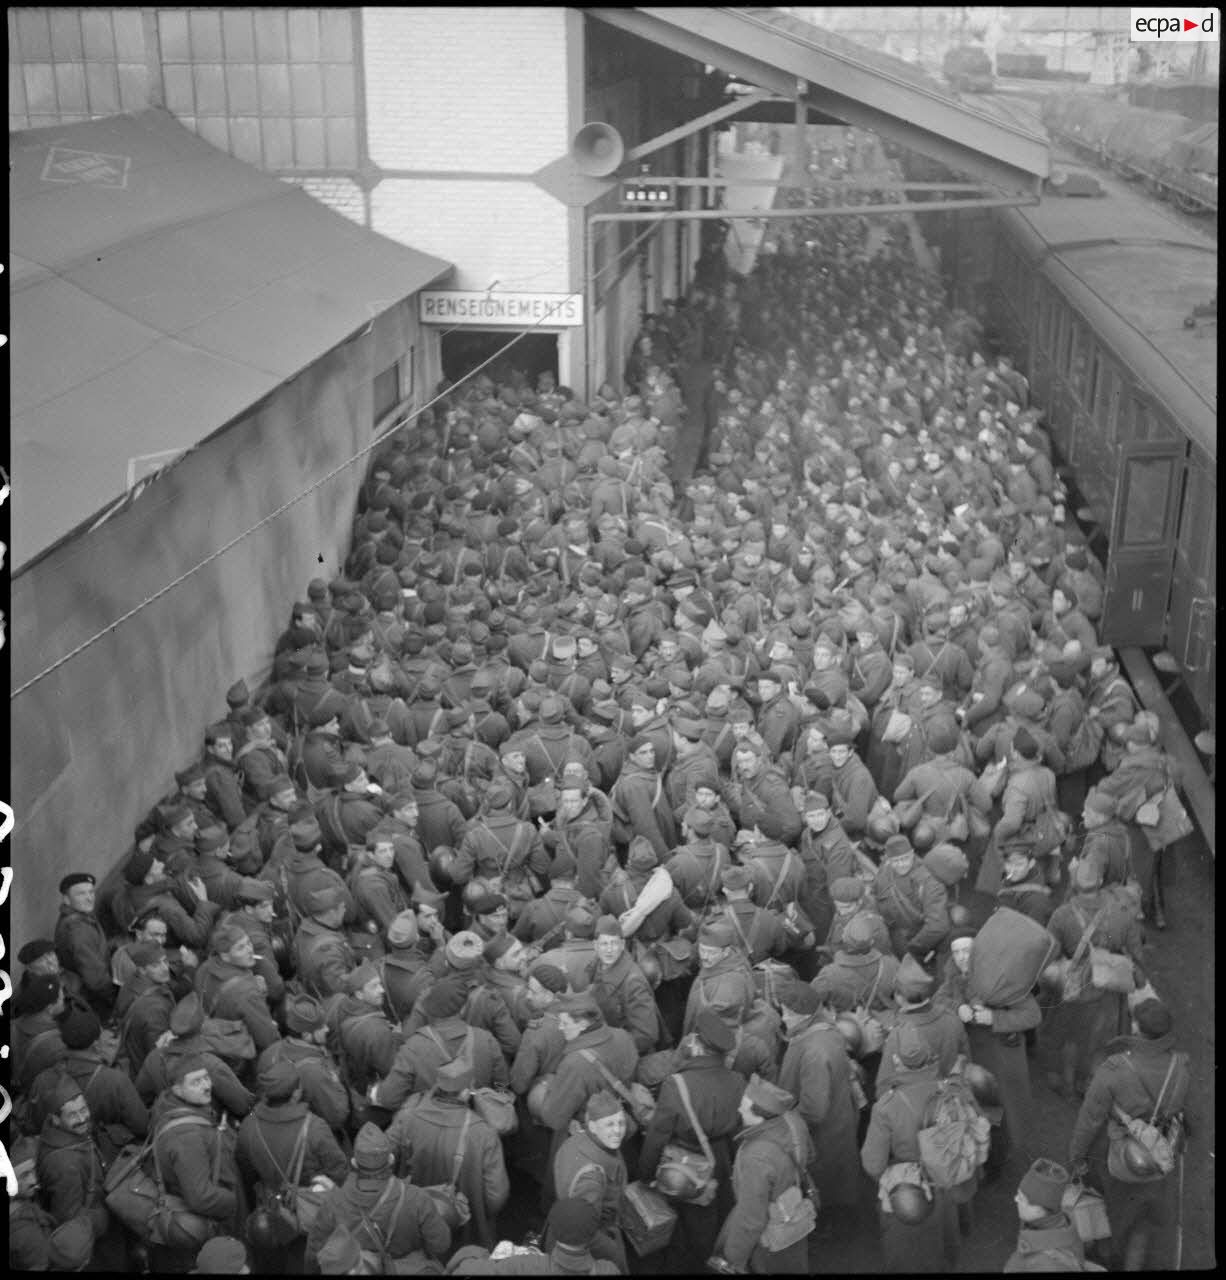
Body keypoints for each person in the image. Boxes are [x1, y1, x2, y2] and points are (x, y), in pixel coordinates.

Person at [1068, 999, 1190, 1272]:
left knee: (1116, 1210)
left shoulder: (1114, 1069)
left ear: (1136, 1027)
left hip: (1120, 1153)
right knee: (1144, 1212)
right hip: (1160, 1149)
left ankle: (1113, 1257)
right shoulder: (1180, 1065)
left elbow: (1090, 1119)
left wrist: (1076, 1156)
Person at [638, 1008, 744, 1270]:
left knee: (687, 1219)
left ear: (696, 1044)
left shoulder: (677, 1085)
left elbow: (658, 1135)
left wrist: (646, 1173)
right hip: (721, 1157)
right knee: (714, 1208)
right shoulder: (737, 1080)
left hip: (685, 1161)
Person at [860, 1028, 960, 1272]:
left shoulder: (887, 1105)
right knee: (943, 1236)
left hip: (907, 1186)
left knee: (906, 1249)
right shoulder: (949, 1090)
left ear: (896, 1060)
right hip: (944, 1176)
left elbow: (873, 1163)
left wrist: (888, 1179)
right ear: (929, 1057)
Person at [236, 1060, 349, 1272]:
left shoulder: (248, 1126)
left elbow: (246, 1170)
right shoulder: (315, 1127)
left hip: (272, 1209)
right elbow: (340, 1173)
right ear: (296, 1094)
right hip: (310, 1211)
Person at [388, 1058, 510, 1251]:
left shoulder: (407, 1118)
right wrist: (480, 1213)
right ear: (464, 1092)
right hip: (466, 1230)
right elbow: (496, 1195)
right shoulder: (484, 1134)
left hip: (416, 1219)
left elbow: (385, 1156)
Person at [776, 981, 864, 1229]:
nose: (783, 1018)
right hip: (840, 1117)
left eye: (787, 1012)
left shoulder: (813, 1051)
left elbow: (814, 1110)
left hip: (823, 1134)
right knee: (840, 1176)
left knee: (825, 1183)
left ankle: (830, 1226)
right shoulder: (827, 1030)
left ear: (803, 1015)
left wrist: (791, 1125)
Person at [305, 1121, 451, 1270]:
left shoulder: (333, 1203)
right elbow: (441, 1244)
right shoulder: (418, 1199)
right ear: (390, 1159)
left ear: (354, 1163)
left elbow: (315, 1255)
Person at [710, 1075, 815, 1275]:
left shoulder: (756, 1156)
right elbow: (810, 1155)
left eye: (743, 1106)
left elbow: (752, 1219)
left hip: (771, 1237)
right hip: (794, 1213)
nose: (739, 1109)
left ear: (759, 1115)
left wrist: (732, 1260)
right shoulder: (792, 1120)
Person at [147, 1056, 241, 1273]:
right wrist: (234, 1201)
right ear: (177, 1089)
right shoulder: (186, 1137)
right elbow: (201, 1197)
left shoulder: (168, 1106)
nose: (207, 1086)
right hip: (197, 1230)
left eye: (206, 1078)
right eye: (196, 1082)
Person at [550, 1090, 630, 1271]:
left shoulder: (577, 1140)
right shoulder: (592, 1179)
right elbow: (586, 1231)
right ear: (593, 1126)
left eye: (621, 1122)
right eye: (609, 1124)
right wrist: (614, 1253)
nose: (618, 1130)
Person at [1003, 1158, 1087, 1272]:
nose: (1016, 1199)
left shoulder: (1045, 1264)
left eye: (1022, 1199)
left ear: (1038, 1210)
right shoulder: (1060, 1221)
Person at [53, 873, 115, 1020]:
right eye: (81, 894)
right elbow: (96, 979)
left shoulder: (79, 916)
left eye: (91, 892)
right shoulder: (78, 930)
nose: (89, 898)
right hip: (94, 999)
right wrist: (115, 999)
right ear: (67, 899)